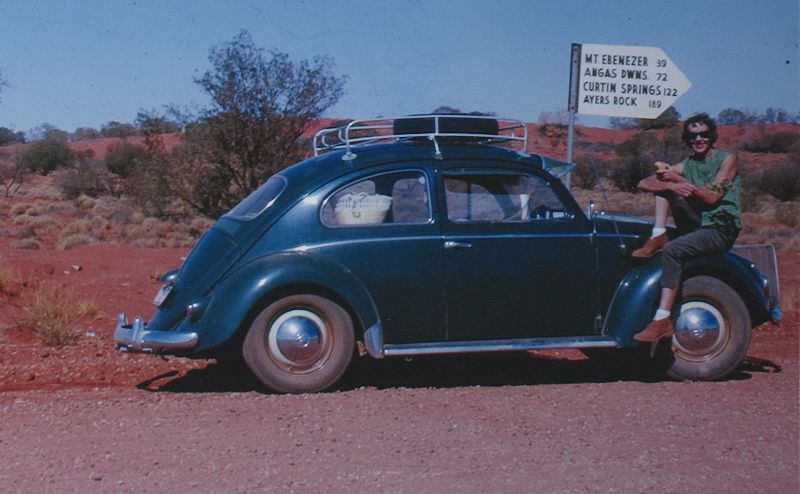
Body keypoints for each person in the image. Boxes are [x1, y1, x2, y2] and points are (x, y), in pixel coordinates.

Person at [631, 113, 741, 342]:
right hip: (698, 225)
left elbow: (712, 197)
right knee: (663, 186)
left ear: (711, 136)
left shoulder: (726, 160)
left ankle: (662, 319)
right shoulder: (687, 164)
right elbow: (644, 183)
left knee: (673, 251)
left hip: (720, 227)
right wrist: (668, 182)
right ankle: (658, 234)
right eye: (693, 136)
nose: (698, 139)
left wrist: (679, 181)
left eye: (703, 134)